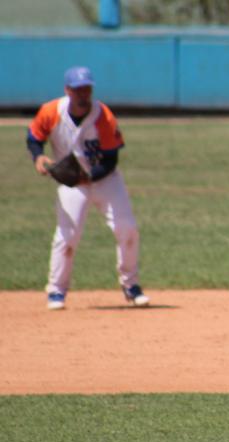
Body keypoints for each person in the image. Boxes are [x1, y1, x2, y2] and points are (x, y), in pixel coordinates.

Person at [27, 66, 150, 310]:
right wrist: (38, 157)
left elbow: (111, 159)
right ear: (67, 90)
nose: (83, 94)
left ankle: (131, 285)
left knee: (127, 229)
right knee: (67, 236)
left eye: (87, 89)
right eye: (78, 89)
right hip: (72, 182)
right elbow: (34, 137)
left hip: (106, 178)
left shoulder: (102, 115)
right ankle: (56, 291)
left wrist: (90, 177)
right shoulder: (50, 111)